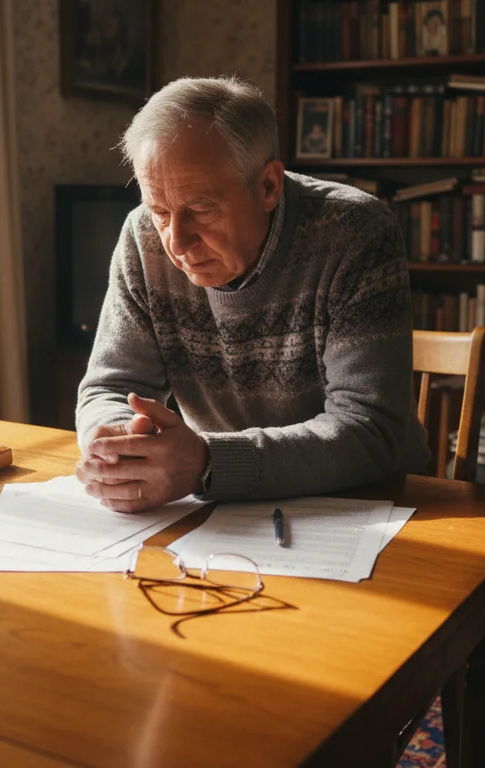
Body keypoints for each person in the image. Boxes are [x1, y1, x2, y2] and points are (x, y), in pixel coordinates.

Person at [75, 76, 429, 512]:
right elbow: (109, 387)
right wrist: (120, 449)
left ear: (268, 187)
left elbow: (372, 430)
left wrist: (208, 462)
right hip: (224, 507)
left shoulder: (355, 233)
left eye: (201, 209)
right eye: (160, 211)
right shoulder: (143, 238)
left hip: (369, 505)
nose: (177, 242)